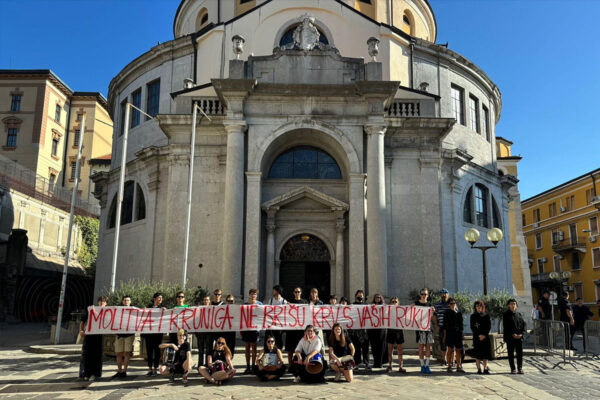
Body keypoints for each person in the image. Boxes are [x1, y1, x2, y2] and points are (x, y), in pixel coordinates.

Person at [78, 296, 108, 381]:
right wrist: (81, 330)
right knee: (87, 354)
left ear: (106, 303)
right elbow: (82, 321)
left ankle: (95, 374)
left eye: (103, 301)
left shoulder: (108, 312)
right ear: (98, 302)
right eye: (100, 301)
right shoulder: (91, 310)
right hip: (89, 336)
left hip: (99, 336)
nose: (101, 303)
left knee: (97, 355)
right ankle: (85, 373)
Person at [414, 288, 436, 374]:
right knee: (420, 347)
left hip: (428, 328)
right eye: (422, 294)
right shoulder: (416, 303)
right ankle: (422, 365)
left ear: (428, 295)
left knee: (427, 347)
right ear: (420, 294)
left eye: (425, 294)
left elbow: (432, 317)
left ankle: (427, 365)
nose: (423, 296)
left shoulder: (430, 305)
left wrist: (433, 312)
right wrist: (411, 307)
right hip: (420, 328)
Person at [113, 295, 135, 378]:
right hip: (119, 335)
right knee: (118, 353)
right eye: (125, 300)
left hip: (129, 335)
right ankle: (119, 371)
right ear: (123, 302)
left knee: (127, 353)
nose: (126, 302)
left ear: (130, 302)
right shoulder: (118, 310)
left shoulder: (134, 310)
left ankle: (124, 371)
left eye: (128, 300)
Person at [144, 292, 165, 376]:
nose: (160, 300)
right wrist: (143, 310)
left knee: (157, 351)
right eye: (159, 298)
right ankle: (150, 368)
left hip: (158, 333)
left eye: (161, 298)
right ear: (154, 299)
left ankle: (155, 368)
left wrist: (165, 311)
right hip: (149, 333)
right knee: (149, 351)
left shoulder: (162, 308)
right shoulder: (148, 307)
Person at [285, 287, 308, 367]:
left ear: (301, 293)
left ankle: (301, 364)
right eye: (296, 292)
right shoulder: (290, 302)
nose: (297, 293)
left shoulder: (305, 302)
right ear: (293, 293)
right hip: (291, 330)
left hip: (301, 330)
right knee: (290, 349)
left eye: (298, 292)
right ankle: (290, 365)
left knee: (301, 349)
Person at [242, 288, 263, 374]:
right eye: (251, 294)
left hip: (255, 329)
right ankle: (247, 366)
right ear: (249, 295)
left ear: (256, 295)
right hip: (247, 328)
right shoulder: (245, 305)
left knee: (254, 348)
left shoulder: (260, 304)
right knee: (247, 347)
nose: (253, 295)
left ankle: (253, 365)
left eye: (254, 294)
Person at [503, 299, 526, 374]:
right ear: (508, 305)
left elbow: (523, 325)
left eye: (514, 304)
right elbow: (506, 327)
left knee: (519, 354)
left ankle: (520, 368)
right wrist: (512, 334)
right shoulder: (506, 315)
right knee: (511, 354)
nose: (513, 305)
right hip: (510, 338)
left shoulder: (519, 314)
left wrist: (522, 334)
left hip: (519, 338)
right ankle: (513, 369)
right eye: (512, 304)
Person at [348, 289, 369, 370]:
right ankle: (357, 363)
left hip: (364, 330)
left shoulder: (366, 305)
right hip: (355, 330)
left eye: (361, 295)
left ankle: (366, 363)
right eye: (359, 295)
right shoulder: (352, 305)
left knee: (365, 348)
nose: (360, 296)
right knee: (356, 347)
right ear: (356, 295)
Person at [442, 298, 464, 373]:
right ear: (449, 305)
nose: (453, 304)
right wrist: (444, 336)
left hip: (457, 333)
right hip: (450, 333)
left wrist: (462, 334)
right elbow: (444, 325)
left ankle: (458, 366)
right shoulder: (446, 313)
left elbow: (461, 325)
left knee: (458, 350)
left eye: (454, 303)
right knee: (450, 350)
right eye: (451, 303)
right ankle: (449, 366)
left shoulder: (459, 313)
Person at [470, 300, 491, 374]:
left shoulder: (486, 316)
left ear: (482, 307)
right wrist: (479, 335)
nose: (479, 307)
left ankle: (485, 368)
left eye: (480, 306)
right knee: (478, 354)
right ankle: (479, 369)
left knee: (485, 354)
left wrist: (484, 335)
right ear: (475, 307)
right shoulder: (473, 316)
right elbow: (472, 327)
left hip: (485, 337)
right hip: (477, 337)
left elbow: (489, 326)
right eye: (477, 306)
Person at [386, 297, 406, 373]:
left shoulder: (401, 311)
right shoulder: (387, 311)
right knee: (390, 349)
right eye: (393, 302)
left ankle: (401, 366)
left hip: (399, 331)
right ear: (390, 303)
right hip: (390, 331)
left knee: (399, 349)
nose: (394, 303)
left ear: (398, 303)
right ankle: (390, 366)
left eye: (396, 302)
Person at [265, 285, 287, 349]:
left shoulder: (284, 301)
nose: (273, 292)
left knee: (278, 338)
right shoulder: (271, 300)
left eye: (274, 290)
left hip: (279, 324)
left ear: (277, 291)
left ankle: (279, 350)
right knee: (271, 337)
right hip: (271, 323)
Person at [367, 293, 386, 369]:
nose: (377, 299)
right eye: (376, 297)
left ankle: (380, 362)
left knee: (381, 346)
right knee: (374, 346)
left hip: (381, 329)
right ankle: (375, 362)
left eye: (379, 297)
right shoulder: (371, 306)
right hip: (372, 329)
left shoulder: (384, 306)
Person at [195, 295, 213, 372]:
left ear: (209, 301)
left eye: (207, 300)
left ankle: (208, 366)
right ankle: (200, 365)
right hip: (200, 333)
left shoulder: (213, 310)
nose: (206, 301)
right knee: (201, 350)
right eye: (204, 300)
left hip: (208, 333)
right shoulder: (198, 309)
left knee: (208, 350)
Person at [434, 288, 451, 365]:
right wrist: (436, 326)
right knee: (442, 344)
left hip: (450, 328)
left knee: (451, 344)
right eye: (442, 293)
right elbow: (435, 316)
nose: (444, 295)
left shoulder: (452, 304)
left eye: (445, 293)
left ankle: (451, 361)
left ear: (448, 295)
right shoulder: (437, 305)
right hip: (441, 327)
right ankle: (444, 360)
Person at [222, 294, 237, 359]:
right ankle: (225, 359)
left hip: (232, 329)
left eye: (231, 301)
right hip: (224, 329)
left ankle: (230, 358)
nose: (230, 302)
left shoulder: (236, 308)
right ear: (226, 301)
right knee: (225, 345)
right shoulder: (222, 308)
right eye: (229, 301)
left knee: (231, 345)